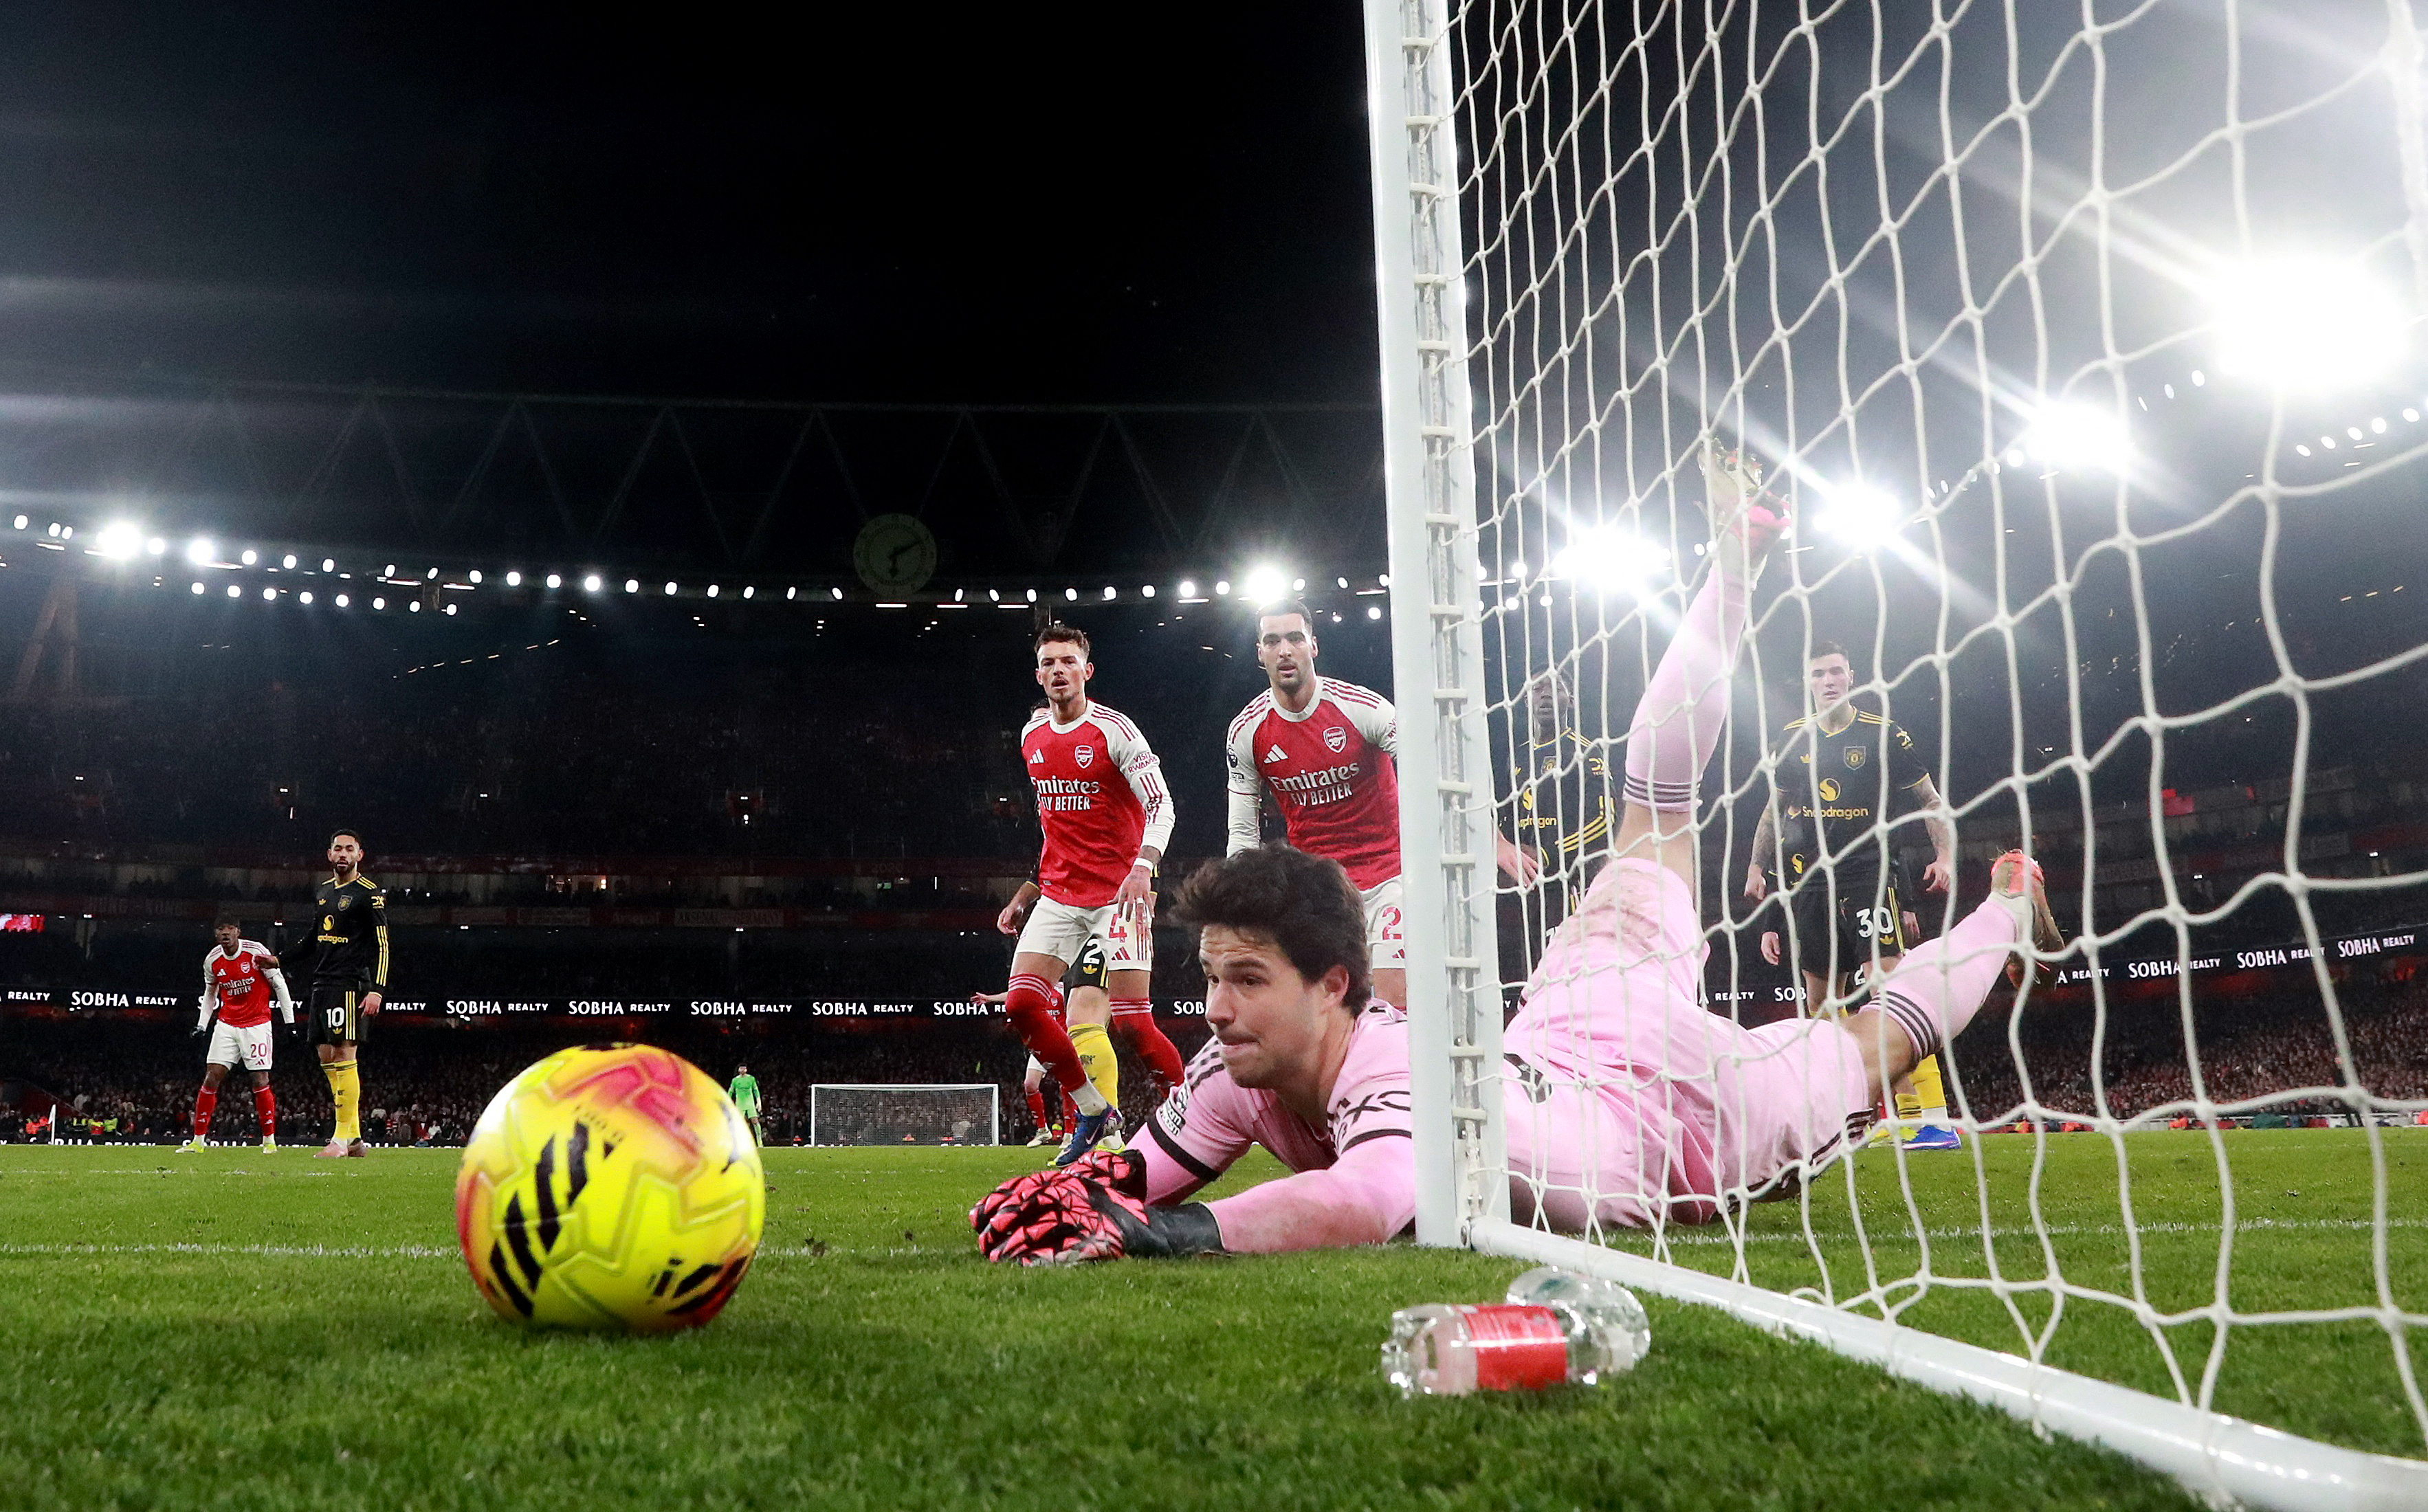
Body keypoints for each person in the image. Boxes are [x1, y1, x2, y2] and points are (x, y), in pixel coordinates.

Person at [971, 442, 2062, 1263]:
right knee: (1659, 814)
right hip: (1574, 1019)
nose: (1213, 1006)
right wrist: (1100, 1187)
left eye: (1245, 981)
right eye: (1214, 977)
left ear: (1334, 988)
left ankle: (2008, 905)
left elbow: (1365, 1202)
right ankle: (1735, 564)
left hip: (1687, 1126)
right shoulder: (1244, 1067)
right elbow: (1155, 1165)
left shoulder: (1391, 1077)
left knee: (1865, 1046)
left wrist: (1169, 1236)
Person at [1743, 641, 1961, 1148]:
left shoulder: (1884, 734)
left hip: (1870, 873)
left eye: (1836, 672)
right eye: (1819, 674)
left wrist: (1945, 856)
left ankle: (1931, 1118)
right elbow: (1775, 812)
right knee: (1820, 1005)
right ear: (1808, 681)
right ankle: (1850, 1115)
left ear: (1852, 676)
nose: (1828, 681)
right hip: (1810, 881)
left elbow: (1929, 800)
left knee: (1889, 990)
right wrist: (1757, 865)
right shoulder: (1792, 738)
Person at [993, 622, 1176, 1166]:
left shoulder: (1114, 731)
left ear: (1086, 671)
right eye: (1049, 663)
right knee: (1024, 1004)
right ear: (1038, 674)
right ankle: (1094, 1112)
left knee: (1134, 1024)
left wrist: (1144, 868)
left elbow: (1161, 805)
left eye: (1068, 661)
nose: (1058, 671)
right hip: (1060, 897)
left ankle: (1195, 1114)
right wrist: (1029, 888)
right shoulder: (1031, 738)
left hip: (1119, 896)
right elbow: (1055, 826)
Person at [278, 828, 388, 1159]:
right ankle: (353, 1138)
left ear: (359, 855)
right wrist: (279, 960)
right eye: (337, 848)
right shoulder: (323, 891)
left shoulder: (370, 893)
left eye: (349, 849)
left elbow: (382, 945)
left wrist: (378, 990)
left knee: (345, 1055)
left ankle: (340, 1139)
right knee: (326, 1057)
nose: (342, 854)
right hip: (322, 983)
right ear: (329, 855)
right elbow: (314, 938)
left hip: (351, 984)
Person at [179, 915, 294, 1153]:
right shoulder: (212, 960)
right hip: (227, 1024)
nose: (225, 933)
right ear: (215, 934)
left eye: (230, 928)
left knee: (260, 1080)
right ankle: (198, 1142)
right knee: (211, 1078)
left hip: (257, 1025)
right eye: (220, 928)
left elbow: (279, 984)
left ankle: (269, 1141)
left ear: (238, 932)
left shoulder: (255, 952)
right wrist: (202, 1025)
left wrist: (289, 1021)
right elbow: (211, 993)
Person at [728, 1065, 763, 1146]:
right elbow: (731, 1092)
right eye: (741, 1068)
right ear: (739, 1070)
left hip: (750, 1103)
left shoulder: (751, 1079)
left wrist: (759, 1102)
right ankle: (740, 1143)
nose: (743, 1070)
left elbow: (756, 1090)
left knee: (755, 1121)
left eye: (744, 1068)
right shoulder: (735, 1080)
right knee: (741, 1123)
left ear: (746, 1070)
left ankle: (760, 1141)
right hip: (740, 1103)